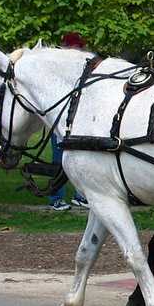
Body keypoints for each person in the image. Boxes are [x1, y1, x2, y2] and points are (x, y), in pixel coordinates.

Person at [50, 32, 91, 211]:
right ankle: (55, 198)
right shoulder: (59, 69)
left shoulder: (81, 66)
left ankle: (79, 196)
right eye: (78, 46)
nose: (81, 49)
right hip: (62, 119)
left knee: (82, 157)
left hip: (78, 119)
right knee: (59, 160)